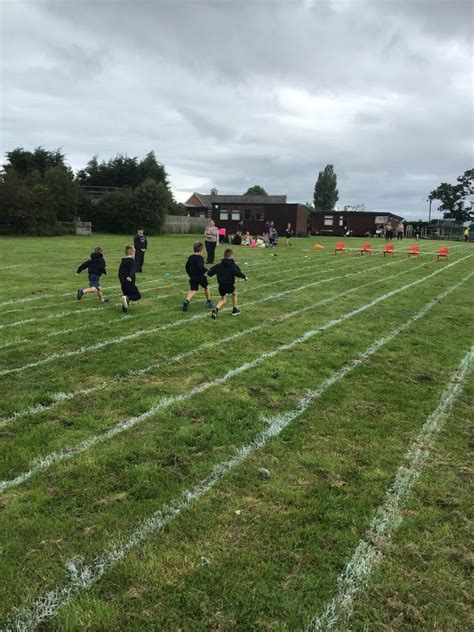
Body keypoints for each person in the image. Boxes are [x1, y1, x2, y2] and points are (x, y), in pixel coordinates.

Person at [208, 248, 247, 319]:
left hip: (221, 286)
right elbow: (238, 273)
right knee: (235, 293)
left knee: (223, 299)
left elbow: (210, 273)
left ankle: (216, 309)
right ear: (232, 256)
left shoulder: (219, 265)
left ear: (224, 256)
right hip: (229, 285)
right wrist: (244, 277)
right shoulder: (233, 265)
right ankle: (234, 309)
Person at [182, 241, 214, 312]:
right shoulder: (200, 258)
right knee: (206, 287)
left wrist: (190, 274)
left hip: (193, 277)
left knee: (193, 290)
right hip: (200, 276)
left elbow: (187, 267)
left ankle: (187, 301)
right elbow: (200, 267)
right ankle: (209, 301)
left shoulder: (190, 257)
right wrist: (205, 270)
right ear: (201, 250)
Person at [118, 245, 141, 313]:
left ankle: (124, 309)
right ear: (132, 252)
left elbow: (120, 272)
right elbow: (133, 270)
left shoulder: (123, 261)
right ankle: (127, 299)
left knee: (126, 295)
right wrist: (130, 277)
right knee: (137, 295)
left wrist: (122, 280)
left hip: (123, 282)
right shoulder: (132, 261)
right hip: (129, 282)